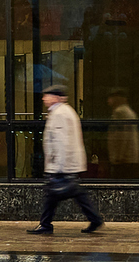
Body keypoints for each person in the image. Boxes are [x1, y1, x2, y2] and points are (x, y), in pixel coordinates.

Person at [28, 83, 103, 235]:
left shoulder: (60, 114)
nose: (43, 99)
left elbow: (61, 142)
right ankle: (93, 219)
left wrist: (58, 166)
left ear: (55, 97)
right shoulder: (65, 111)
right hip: (65, 164)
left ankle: (46, 224)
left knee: (58, 194)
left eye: (47, 96)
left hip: (61, 165)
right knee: (67, 194)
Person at [105, 90, 139, 178]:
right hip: (131, 157)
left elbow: (121, 135)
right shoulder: (129, 111)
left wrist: (118, 156)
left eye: (110, 98)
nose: (108, 101)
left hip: (123, 158)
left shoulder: (120, 112)